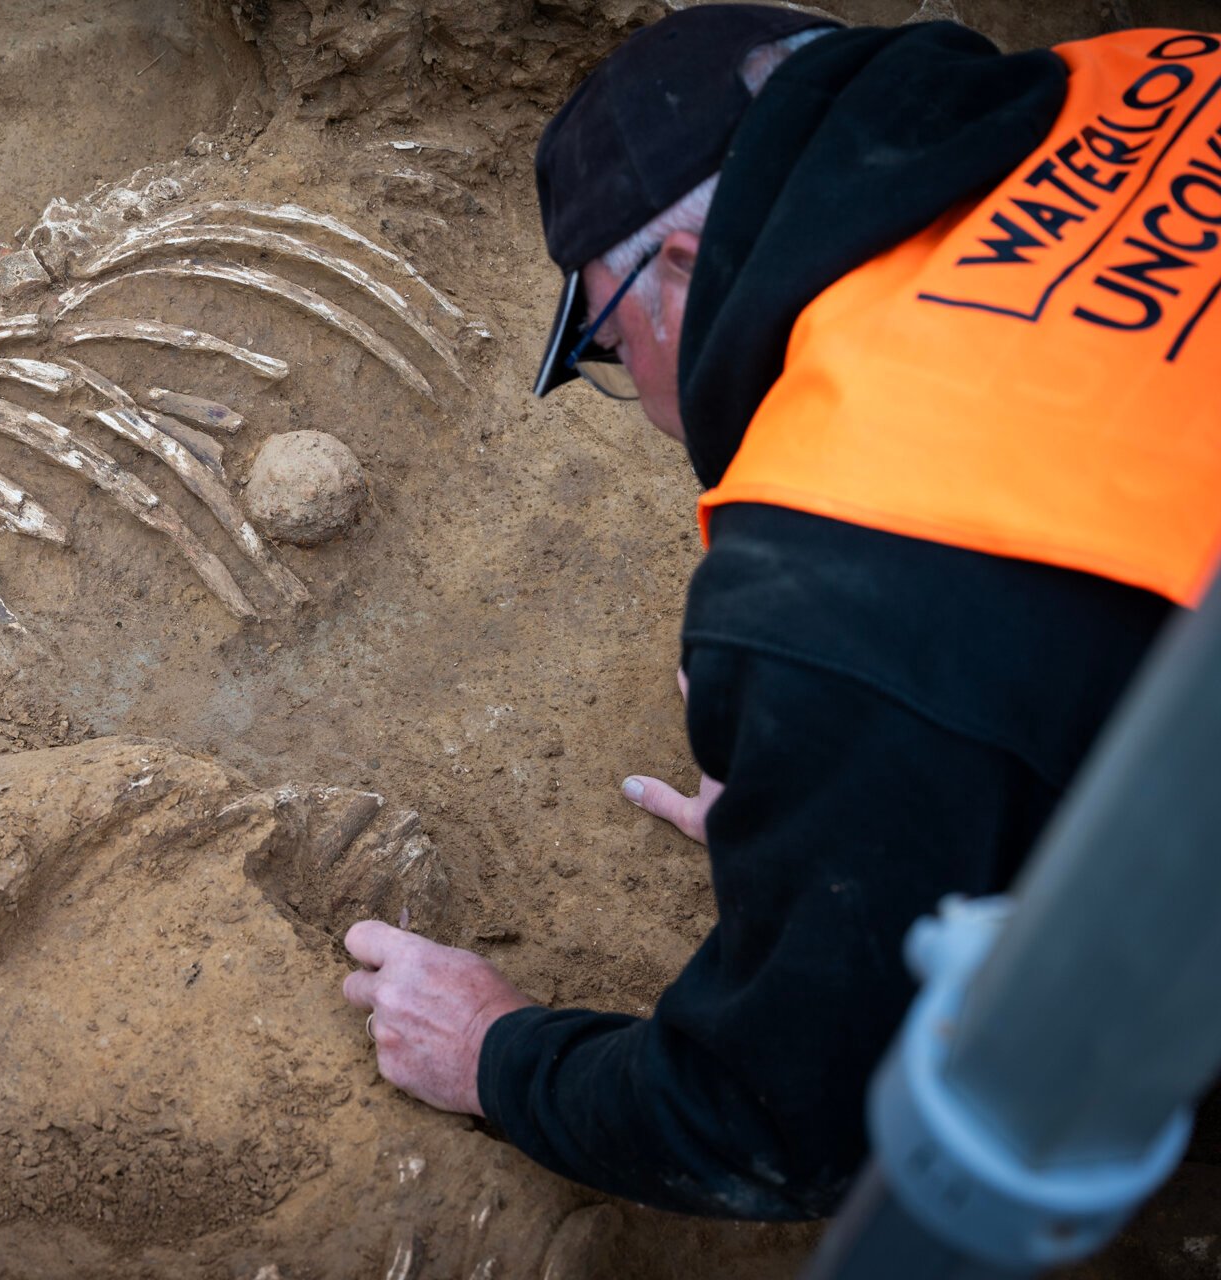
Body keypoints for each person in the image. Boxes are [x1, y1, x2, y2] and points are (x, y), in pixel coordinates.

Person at [342, 4, 1221, 1219]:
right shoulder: (1151, 72)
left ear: (688, 270)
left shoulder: (842, 589)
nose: (648, 397)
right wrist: (855, 807)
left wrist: (496, 1050)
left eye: (607, 337)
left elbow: (771, 1121)